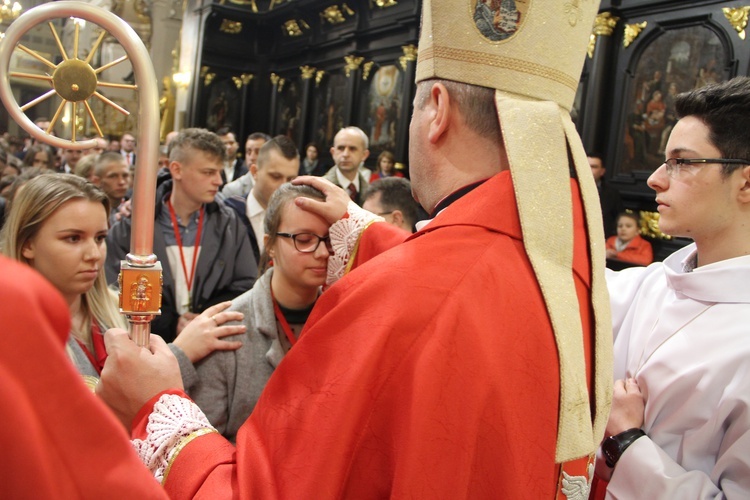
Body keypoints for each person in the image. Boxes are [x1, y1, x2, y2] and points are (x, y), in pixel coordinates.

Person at [97, 1, 611, 497]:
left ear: (436, 111)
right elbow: (461, 275)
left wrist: (158, 403)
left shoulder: (397, 296)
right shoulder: (563, 268)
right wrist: (363, 231)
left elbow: (261, 491)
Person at [591, 76, 750, 498]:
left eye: (682, 162)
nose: (655, 179)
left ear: (746, 183)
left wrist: (626, 444)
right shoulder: (651, 283)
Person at [0, 254, 168, 498]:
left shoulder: (118, 311)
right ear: (28, 245)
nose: (94, 254)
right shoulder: (17, 310)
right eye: (73, 239)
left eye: (100, 237)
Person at [181, 183, 331, 442]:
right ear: (270, 245)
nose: (322, 253)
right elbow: (205, 444)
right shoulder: (228, 327)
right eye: (304, 240)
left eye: (329, 239)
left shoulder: (339, 321)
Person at [105, 128, 257, 343]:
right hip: (147, 342)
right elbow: (115, 288)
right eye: (208, 172)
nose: (218, 181)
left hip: (212, 341)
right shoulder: (135, 224)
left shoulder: (229, 223)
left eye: (219, 172)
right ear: (176, 170)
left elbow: (245, 284)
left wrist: (205, 319)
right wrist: (170, 322)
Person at [223, 135, 300, 266]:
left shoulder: (299, 218)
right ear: (255, 172)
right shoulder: (228, 214)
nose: (284, 187)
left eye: (290, 180)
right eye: (275, 177)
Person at [322, 126, 371, 205]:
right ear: (333, 153)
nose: (345, 154)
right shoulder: (318, 189)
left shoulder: (371, 193)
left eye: (352, 149)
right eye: (341, 148)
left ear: (364, 155)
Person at [222, 132, 272, 197]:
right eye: (249, 152)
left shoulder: (280, 186)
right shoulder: (232, 190)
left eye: (258, 152)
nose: (252, 157)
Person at [589, 154, 624, 237]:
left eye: (593, 166)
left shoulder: (612, 194)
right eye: (585, 165)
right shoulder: (569, 189)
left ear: (602, 171)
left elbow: (619, 219)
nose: (588, 169)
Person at [91, 152, 131, 224]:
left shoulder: (134, 205)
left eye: (125, 175)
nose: (121, 182)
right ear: (97, 181)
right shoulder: (89, 210)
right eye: (113, 176)